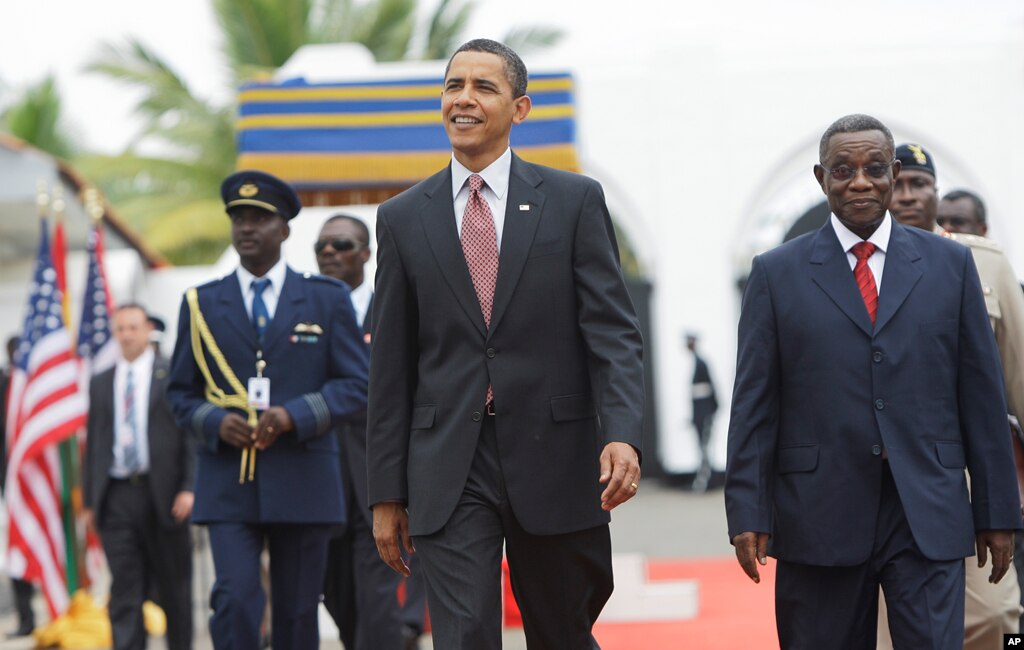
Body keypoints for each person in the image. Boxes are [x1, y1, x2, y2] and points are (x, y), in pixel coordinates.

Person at [367, 38, 645, 649]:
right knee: (463, 635)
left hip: (556, 457)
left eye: (483, 87)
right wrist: (385, 492)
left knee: (562, 633)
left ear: (519, 108)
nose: (463, 99)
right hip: (448, 464)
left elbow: (612, 332)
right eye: (453, 86)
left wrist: (622, 432)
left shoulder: (573, 202)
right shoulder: (402, 218)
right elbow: (389, 366)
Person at [725, 114, 1020, 649]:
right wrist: (748, 510)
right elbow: (755, 404)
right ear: (822, 179)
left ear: (893, 173)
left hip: (926, 511)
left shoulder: (951, 266)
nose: (859, 181)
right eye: (843, 170)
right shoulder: (776, 273)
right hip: (817, 516)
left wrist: (997, 510)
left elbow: (981, 397)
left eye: (874, 168)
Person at [166, 170, 369, 650]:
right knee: (235, 600)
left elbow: (357, 384)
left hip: (303, 476)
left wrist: (296, 414)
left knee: (297, 612)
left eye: (259, 218)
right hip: (227, 479)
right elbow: (180, 393)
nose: (246, 228)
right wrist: (216, 421)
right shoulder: (201, 303)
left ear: (284, 229)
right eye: (238, 218)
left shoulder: (326, 298)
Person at [885, 143, 1024, 647]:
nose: (907, 196)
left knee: (997, 614)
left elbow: (1017, 372)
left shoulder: (984, 261)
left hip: (965, 471)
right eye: (898, 184)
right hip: (883, 473)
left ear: (936, 192)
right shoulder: (859, 267)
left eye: (919, 184)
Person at [317, 213, 425, 650]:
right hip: (323, 481)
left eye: (341, 244)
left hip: (379, 479)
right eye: (322, 246)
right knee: (338, 598)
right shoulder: (307, 313)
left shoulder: (392, 307)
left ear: (365, 253)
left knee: (378, 602)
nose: (329, 252)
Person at [82, 304, 195, 650]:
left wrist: (189, 487)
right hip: (117, 496)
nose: (127, 335)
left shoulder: (171, 374)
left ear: (148, 330)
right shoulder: (101, 382)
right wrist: (90, 500)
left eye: (133, 327)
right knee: (125, 589)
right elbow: (95, 441)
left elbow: (190, 436)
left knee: (174, 588)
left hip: (164, 494)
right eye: (121, 329)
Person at [1, 335, 35, 638]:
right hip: (10, 486)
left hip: (40, 481)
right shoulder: (5, 385)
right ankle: (26, 617)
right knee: (16, 551)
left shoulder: (42, 383)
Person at [685, 332, 718, 492]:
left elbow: (710, 387)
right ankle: (703, 480)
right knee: (702, 446)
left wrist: (710, 410)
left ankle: (705, 480)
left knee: (704, 446)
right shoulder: (697, 362)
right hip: (701, 412)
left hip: (704, 412)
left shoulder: (701, 363)